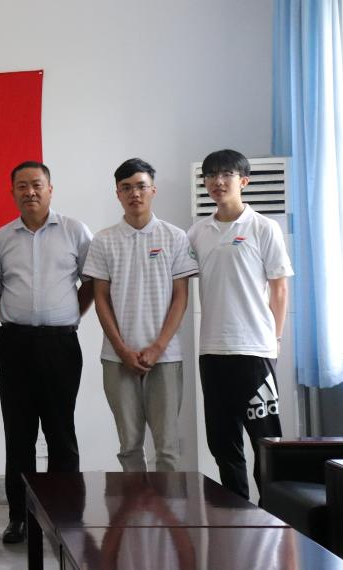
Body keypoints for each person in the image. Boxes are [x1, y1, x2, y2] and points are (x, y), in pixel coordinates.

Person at [0, 161, 94, 544]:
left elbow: (91, 282)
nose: (29, 191)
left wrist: (67, 315)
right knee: (19, 435)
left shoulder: (75, 231)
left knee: (60, 432)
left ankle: (64, 515)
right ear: (12, 192)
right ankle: (19, 517)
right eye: (22, 186)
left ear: (50, 189)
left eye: (36, 184)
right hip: (14, 344)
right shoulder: (1, 239)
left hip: (60, 344)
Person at [188, 149, 292, 500]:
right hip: (212, 351)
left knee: (265, 441)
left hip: (254, 350)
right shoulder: (197, 232)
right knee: (223, 443)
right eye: (211, 175)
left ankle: (273, 515)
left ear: (243, 181)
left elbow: (279, 288)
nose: (218, 181)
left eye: (226, 174)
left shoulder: (264, 227)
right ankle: (237, 516)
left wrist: (276, 339)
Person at [82, 158, 198, 472]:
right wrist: (121, 349)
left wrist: (158, 346)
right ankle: (135, 506)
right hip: (117, 358)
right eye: (126, 188)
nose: (135, 193)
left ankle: (168, 505)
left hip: (166, 356)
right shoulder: (103, 240)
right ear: (118, 194)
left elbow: (181, 297)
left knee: (167, 449)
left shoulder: (175, 237)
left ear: (153, 190)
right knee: (130, 447)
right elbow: (100, 298)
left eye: (141, 186)